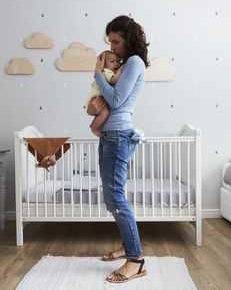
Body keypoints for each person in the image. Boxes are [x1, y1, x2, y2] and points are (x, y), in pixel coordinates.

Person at [87, 15, 150, 283]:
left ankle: (135, 260)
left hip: (118, 134)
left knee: (116, 199)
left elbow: (114, 98)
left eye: (116, 41)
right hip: (110, 135)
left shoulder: (134, 62)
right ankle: (127, 245)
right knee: (112, 198)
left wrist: (96, 74)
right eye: (109, 41)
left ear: (128, 39)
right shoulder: (123, 64)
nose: (112, 47)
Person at [86, 51, 123, 137]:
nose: (116, 64)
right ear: (103, 65)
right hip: (97, 98)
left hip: (97, 97)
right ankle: (95, 128)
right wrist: (120, 70)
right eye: (112, 62)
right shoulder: (106, 71)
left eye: (117, 61)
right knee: (104, 113)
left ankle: (93, 125)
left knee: (102, 113)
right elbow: (113, 80)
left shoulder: (106, 71)